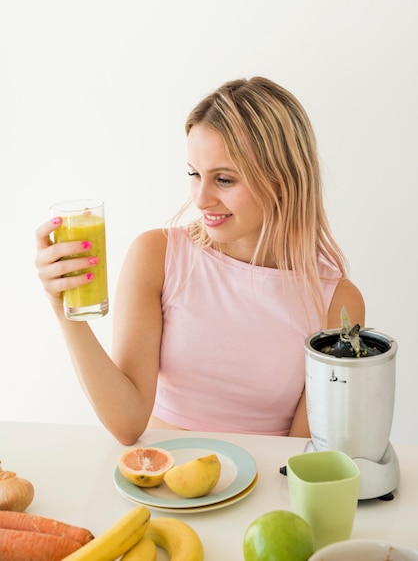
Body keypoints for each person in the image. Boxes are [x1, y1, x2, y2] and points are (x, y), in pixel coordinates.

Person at [35, 76, 365, 446]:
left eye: (223, 179)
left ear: (282, 181)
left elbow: (303, 457)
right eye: (194, 174)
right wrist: (64, 309)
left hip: (263, 495)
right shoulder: (157, 257)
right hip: (158, 485)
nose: (201, 199)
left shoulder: (337, 303)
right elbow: (127, 424)